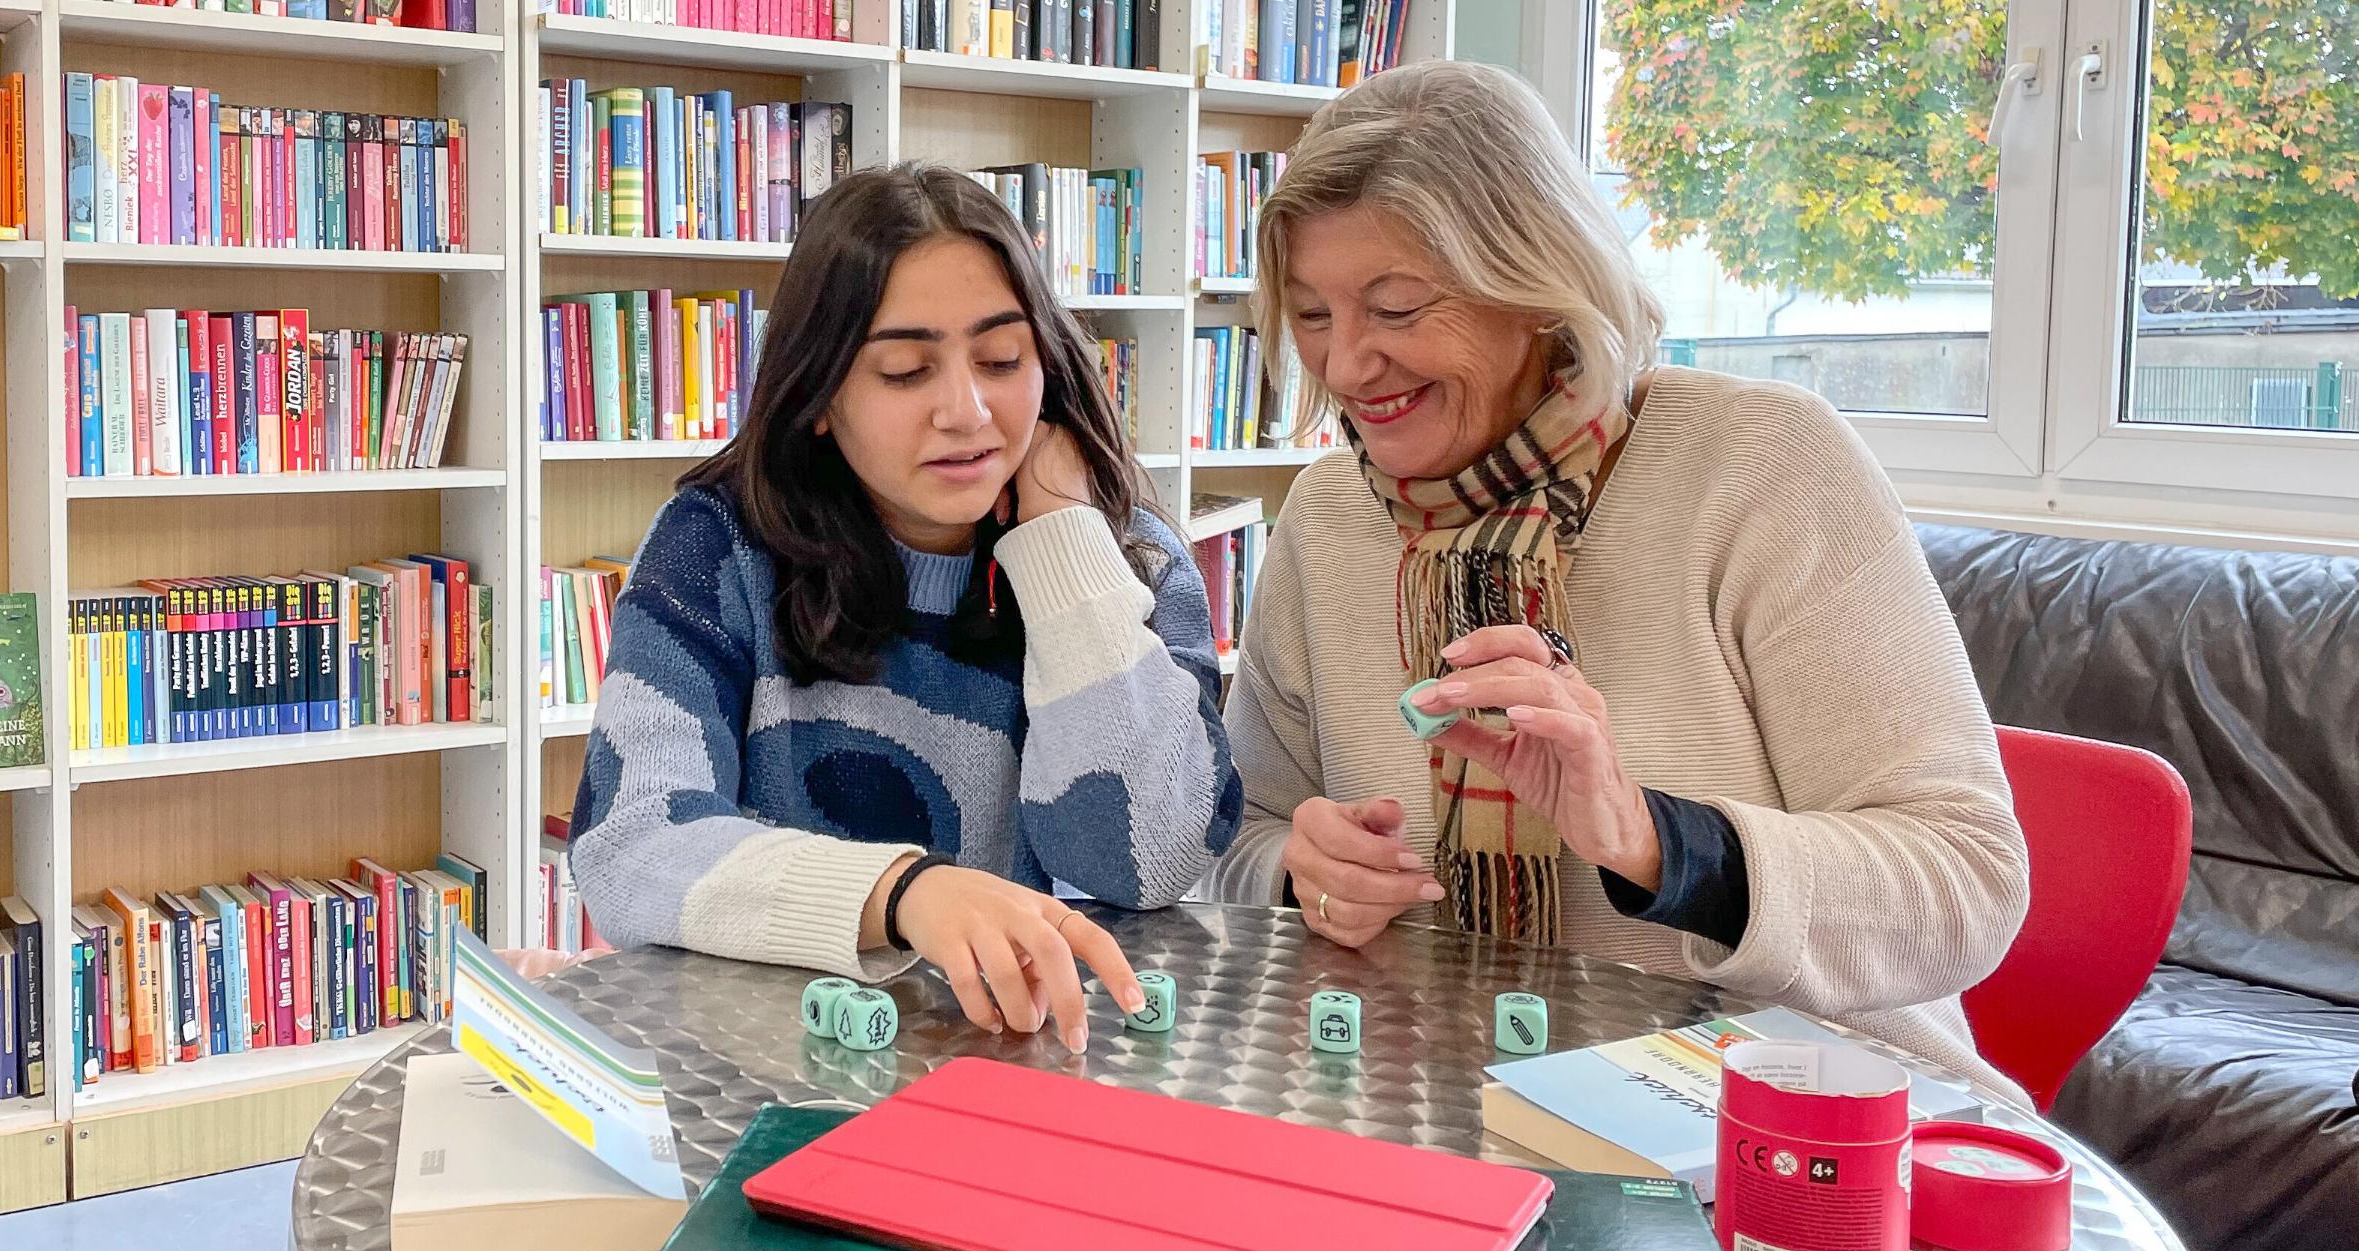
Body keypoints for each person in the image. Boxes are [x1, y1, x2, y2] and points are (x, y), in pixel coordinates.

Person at [1211, 62, 2032, 1101]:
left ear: (1539, 287)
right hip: (1452, 1113)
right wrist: (1300, 871)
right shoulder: (1328, 516)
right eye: (1314, 316)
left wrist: (1651, 840)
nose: (1345, 366)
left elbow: (1964, 883)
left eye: (1396, 307)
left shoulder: (1761, 464)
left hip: (1799, 1141)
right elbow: (1237, 835)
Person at [572, 164, 1242, 1055]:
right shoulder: (718, 545)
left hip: (1041, 1067)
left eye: (1003, 360)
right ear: (819, 397)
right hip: (779, 1071)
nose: (967, 412)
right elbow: (631, 845)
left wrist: (1060, 550)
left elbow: (1147, 862)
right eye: (904, 370)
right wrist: (902, 893)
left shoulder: (1125, 557)